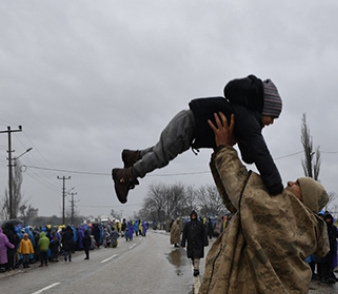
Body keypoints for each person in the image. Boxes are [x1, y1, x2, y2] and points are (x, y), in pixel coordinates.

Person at [180, 112, 330, 294]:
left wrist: (226, 148)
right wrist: (219, 152)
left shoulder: (288, 217)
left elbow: (243, 191)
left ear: (304, 201)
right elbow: (239, 199)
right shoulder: (288, 222)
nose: (290, 182)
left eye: (297, 185)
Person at [112, 75, 283, 204]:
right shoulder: (248, 119)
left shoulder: (246, 118)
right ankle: (126, 175)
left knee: (160, 150)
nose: (273, 122)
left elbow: (250, 152)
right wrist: (276, 188)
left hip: (187, 126)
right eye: (273, 116)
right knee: (161, 156)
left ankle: (133, 157)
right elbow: (262, 154)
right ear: (264, 109)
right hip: (188, 125)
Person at [181, 210, 207, 277]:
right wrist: (183, 243)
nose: (193, 217)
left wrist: (205, 242)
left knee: (197, 257)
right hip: (191, 244)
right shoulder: (187, 225)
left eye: (194, 216)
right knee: (193, 257)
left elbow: (204, 233)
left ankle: (196, 269)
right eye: (192, 216)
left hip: (198, 243)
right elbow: (184, 235)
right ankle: (196, 268)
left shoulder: (200, 224)